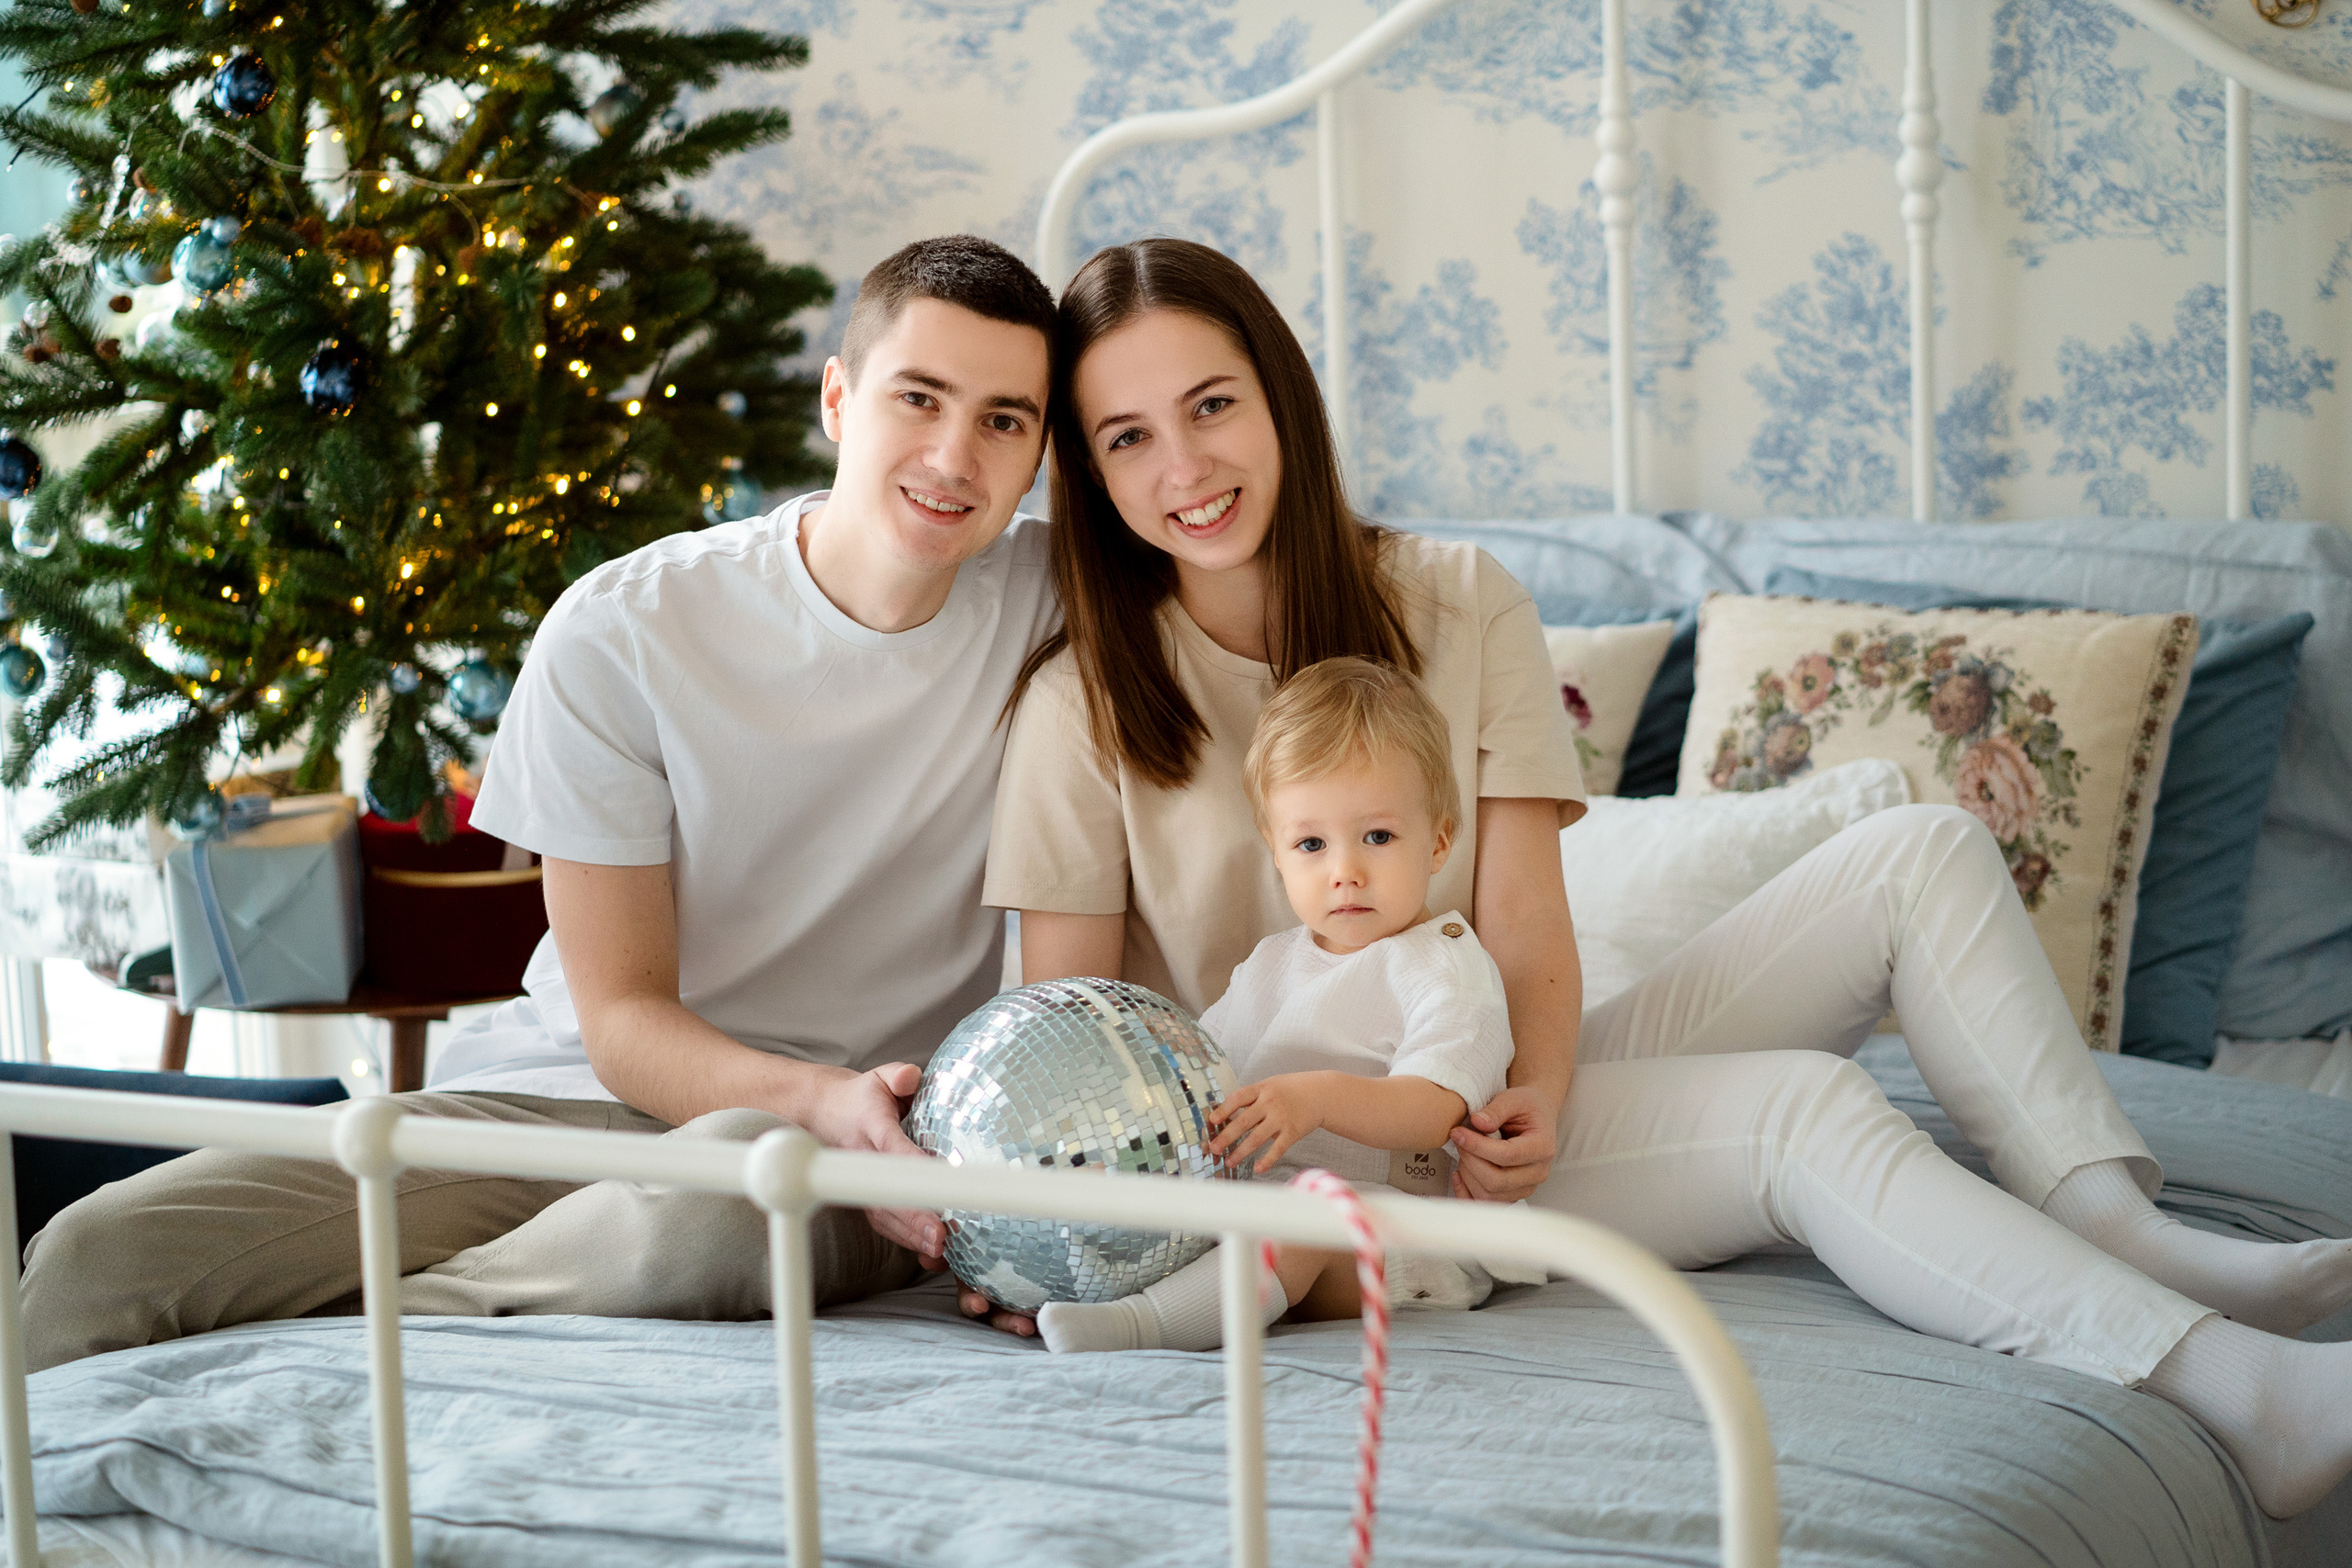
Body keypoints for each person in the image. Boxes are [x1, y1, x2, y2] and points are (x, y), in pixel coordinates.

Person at [981, 235, 2352, 1517]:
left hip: (1489, 1100)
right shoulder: (1083, 703)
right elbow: (1064, 1044)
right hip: (1328, 1164)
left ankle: (2113, 1215)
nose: (1185, 463)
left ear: (1280, 398)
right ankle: (2244, 1391)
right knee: (1805, 1108)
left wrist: (1540, 1100)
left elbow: (1521, 911)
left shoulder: (1457, 595)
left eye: (1213, 404)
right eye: (1127, 436)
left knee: (1926, 845)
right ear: (1092, 472)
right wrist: (1057, 1234)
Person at [23, 234, 1062, 1369]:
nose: (955, 456)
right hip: (570, 1100)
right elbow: (619, 1022)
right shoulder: (630, 625)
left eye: (1005, 421)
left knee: (700, 1229)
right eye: (919, 398)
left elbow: (1263, 607)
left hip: (853, 1160)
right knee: (102, 1252)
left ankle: (347, 1345)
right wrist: (815, 1096)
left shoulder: (1065, 611)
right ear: (839, 399)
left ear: (1039, 451)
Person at [1038, 657, 1541, 1355]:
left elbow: (1435, 1106)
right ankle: (1080, 1278)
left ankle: (1142, 1326)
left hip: (1403, 1232)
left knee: (1309, 1216)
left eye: (1378, 836)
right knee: (1168, 1200)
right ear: (1276, 853)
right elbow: (1202, 1072)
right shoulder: (1271, 964)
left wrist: (1318, 1098)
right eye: (1312, 843)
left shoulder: (1448, 964)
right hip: (1261, 1201)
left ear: (1440, 840)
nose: (1346, 870)